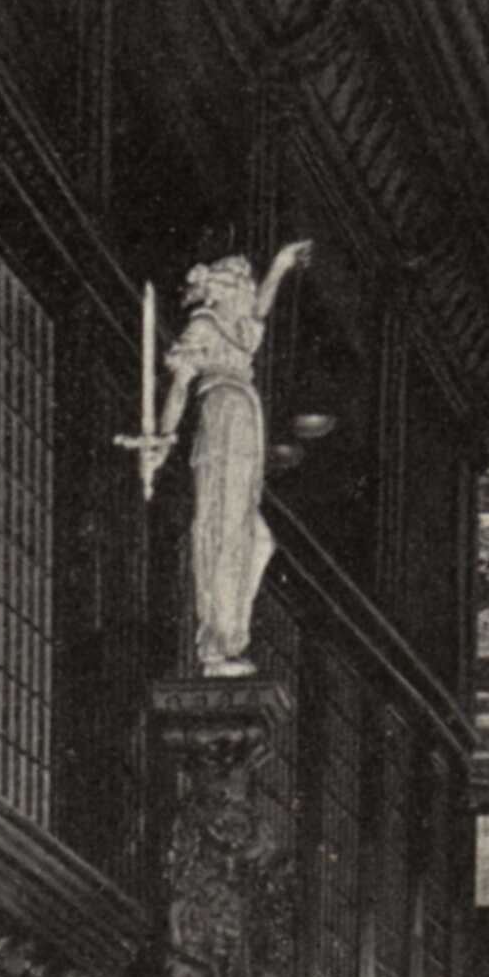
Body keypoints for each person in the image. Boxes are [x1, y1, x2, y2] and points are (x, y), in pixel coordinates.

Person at [137, 237, 310, 674]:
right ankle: (217, 644)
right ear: (228, 291)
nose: (251, 296)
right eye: (245, 288)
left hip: (245, 423)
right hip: (222, 424)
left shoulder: (239, 328)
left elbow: (261, 310)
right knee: (225, 526)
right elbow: (180, 386)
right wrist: (163, 438)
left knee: (256, 537)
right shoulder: (205, 325)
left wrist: (281, 265)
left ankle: (231, 635)